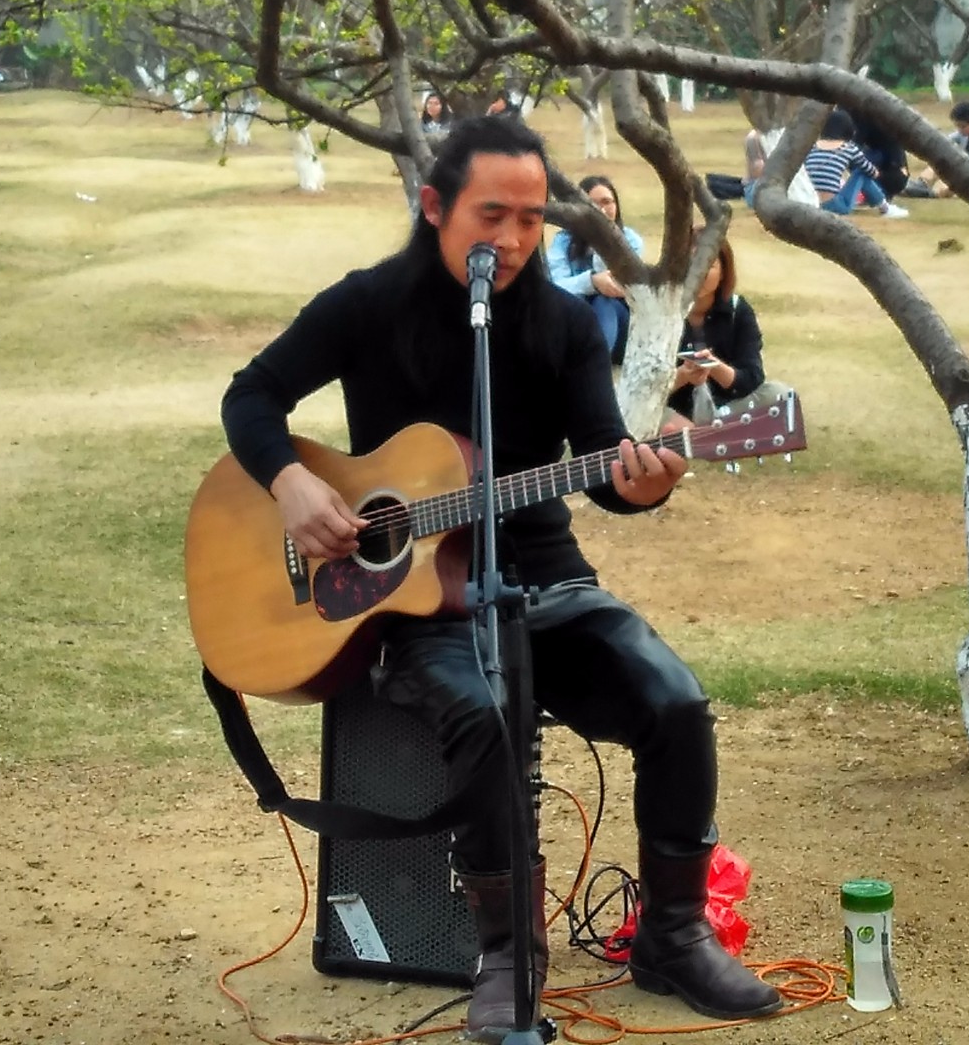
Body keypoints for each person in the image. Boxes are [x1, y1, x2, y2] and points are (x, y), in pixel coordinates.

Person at [219, 116, 781, 1038]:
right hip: (408, 604)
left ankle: (674, 937)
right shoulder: (367, 306)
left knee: (674, 702)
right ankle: (507, 953)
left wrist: (648, 483)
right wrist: (290, 484)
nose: (515, 240)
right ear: (434, 206)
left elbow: (605, 466)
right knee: (482, 711)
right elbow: (251, 394)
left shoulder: (559, 323)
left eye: (531, 219)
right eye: (493, 215)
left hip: (544, 580)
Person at [668, 235, 766, 422]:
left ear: (723, 271)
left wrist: (713, 365)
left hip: (727, 407)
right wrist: (682, 376)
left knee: (780, 394)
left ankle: (716, 428)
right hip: (673, 412)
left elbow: (752, 378)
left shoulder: (738, 310)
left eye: (708, 265)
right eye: (691, 263)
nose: (698, 273)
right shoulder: (662, 312)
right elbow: (643, 386)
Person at [549, 175, 646, 358]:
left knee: (604, 301)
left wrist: (603, 240)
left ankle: (594, 361)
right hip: (576, 320)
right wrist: (591, 282)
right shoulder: (563, 241)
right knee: (582, 304)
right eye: (591, 203)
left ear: (616, 205)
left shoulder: (631, 240)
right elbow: (555, 286)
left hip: (621, 324)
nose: (601, 209)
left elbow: (625, 287)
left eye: (607, 202)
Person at [805, 110, 909, 219]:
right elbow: (869, 170)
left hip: (811, 203)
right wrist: (878, 174)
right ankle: (885, 208)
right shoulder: (848, 148)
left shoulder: (812, 147)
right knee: (861, 173)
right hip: (835, 206)